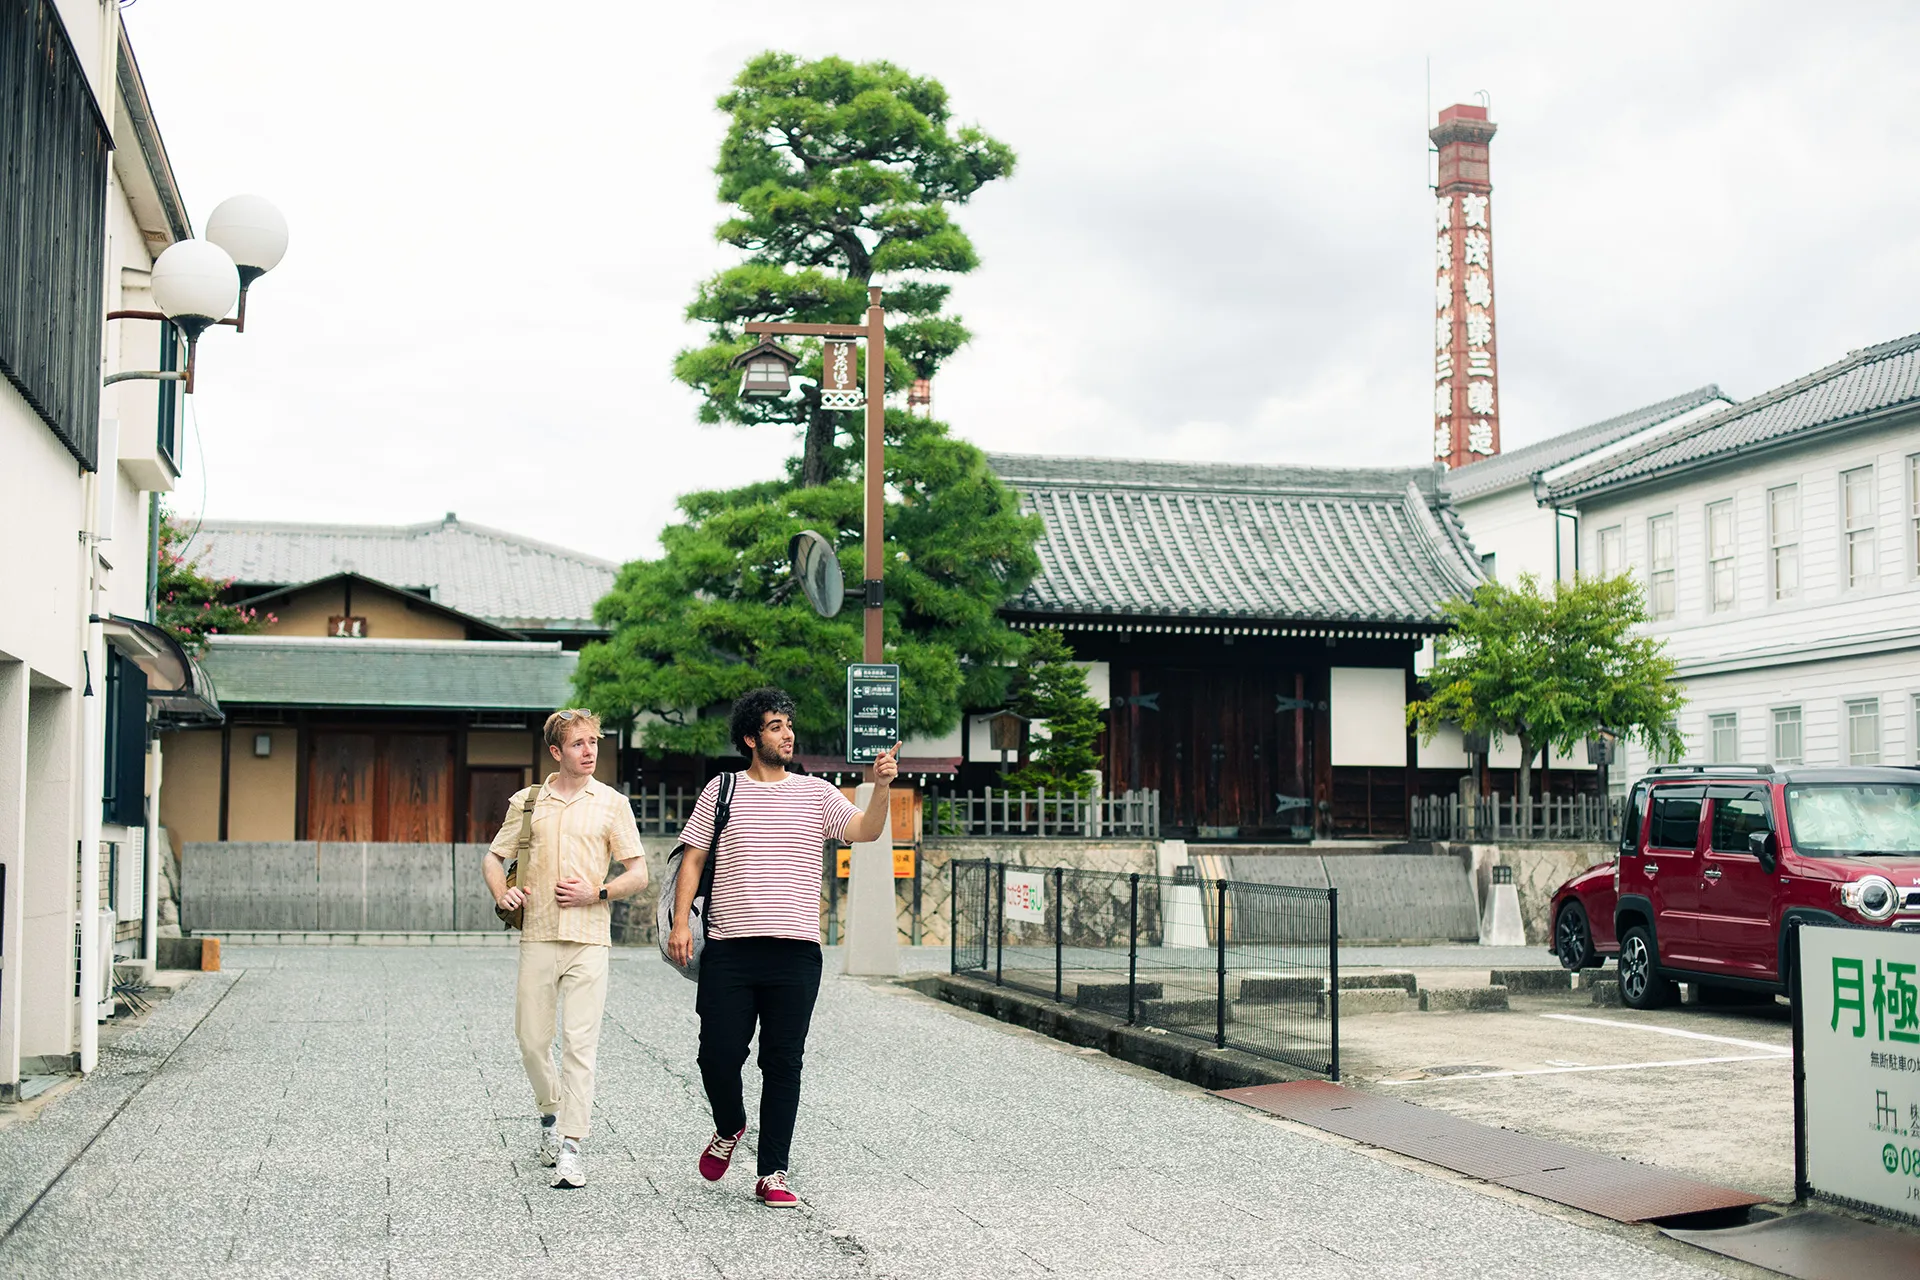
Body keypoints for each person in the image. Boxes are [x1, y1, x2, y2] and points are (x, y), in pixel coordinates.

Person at [668, 687, 898, 1208]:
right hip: (730, 948)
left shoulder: (816, 794)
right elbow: (694, 860)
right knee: (717, 1055)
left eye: (789, 724)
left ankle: (773, 1171)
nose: (787, 733)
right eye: (775, 725)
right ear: (751, 737)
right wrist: (681, 922)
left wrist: (880, 787)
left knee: (783, 1062)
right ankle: (730, 1125)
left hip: (796, 953)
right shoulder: (721, 789)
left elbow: (865, 829)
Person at [484, 708, 647, 1190]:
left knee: (580, 1046)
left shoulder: (612, 803)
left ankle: (572, 1147)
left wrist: (596, 892)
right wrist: (502, 893)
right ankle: (550, 1115)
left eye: (593, 742)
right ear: (557, 751)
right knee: (532, 1042)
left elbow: (637, 873)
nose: (590, 750)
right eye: (578, 744)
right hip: (537, 933)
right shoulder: (530, 801)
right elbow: (495, 857)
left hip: (590, 938)